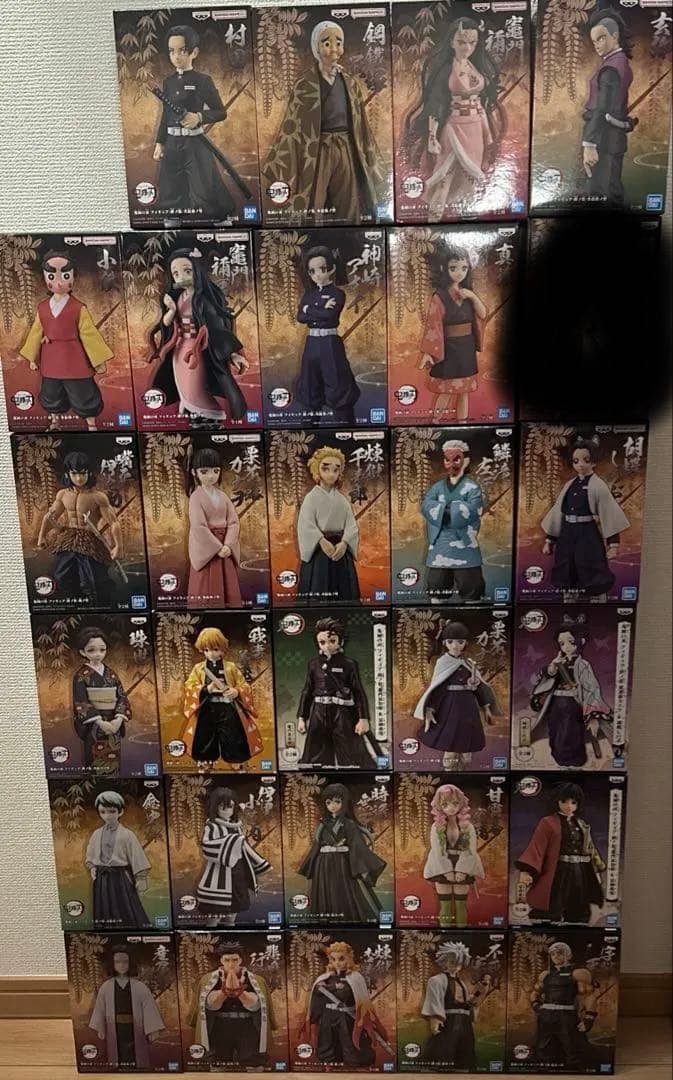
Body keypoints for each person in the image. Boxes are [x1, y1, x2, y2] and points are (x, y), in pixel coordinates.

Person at [262, 20, 385, 223]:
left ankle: (351, 235)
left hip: (345, 145)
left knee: (348, 198)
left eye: (338, 43)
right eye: (327, 43)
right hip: (317, 148)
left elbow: (360, 122)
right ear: (317, 48)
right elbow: (292, 124)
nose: (333, 48)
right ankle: (313, 235)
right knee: (313, 200)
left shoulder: (350, 83)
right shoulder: (304, 84)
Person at [403, 17, 504, 221]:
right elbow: (436, 104)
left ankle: (466, 224)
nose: (467, 48)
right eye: (461, 42)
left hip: (476, 127)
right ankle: (433, 221)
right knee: (443, 178)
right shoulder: (446, 71)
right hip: (453, 127)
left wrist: (488, 132)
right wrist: (432, 136)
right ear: (451, 42)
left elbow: (483, 102)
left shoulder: (476, 67)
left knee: (471, 179)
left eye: (472, 43)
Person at [147, 248, 249, 423]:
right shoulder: (178, 297)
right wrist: (171, 310)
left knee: (195, 387)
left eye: (187, 271)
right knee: (182, 384)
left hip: (197, 349)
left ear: (197, 270)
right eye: (176, 273)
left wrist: (232, 354)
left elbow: (217, 328)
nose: (181, 277)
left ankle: (210, 418)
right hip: (179, 347)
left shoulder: (204, 300)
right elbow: (166, 324)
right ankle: (191, 415)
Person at [19, 251, 113, 430]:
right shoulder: (43, 308)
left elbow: (89, 335)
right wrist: (32, 356)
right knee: (51, 393)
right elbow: (35, 333)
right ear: (45, 277)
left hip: (74, 357)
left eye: (65, 276)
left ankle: (91, 424)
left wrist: (99, 361)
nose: (59, 282)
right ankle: (54, 421)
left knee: (83, 392)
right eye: (52, 276)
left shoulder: (78, 308)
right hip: (51, 357)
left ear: (73, 277)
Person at [153, 26, 237, 218]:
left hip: (195, 142)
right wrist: (160, 142)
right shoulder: (168, 82)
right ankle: (172, 222)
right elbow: (166, 114)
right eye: (172, 51)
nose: (176, 56)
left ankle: (219, 219)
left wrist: (199, 117)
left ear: (194, 52)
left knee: (204, 188)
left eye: (182, 50)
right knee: (170, 188)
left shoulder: (203, 81)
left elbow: (220, 112)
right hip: (172, 143)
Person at [541, 436, 630, 598]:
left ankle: (596, 600)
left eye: (586, 460)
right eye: (576, 461)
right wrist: (549, 540)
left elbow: (609, 514)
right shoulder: (569, 485)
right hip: (567, 533)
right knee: (566, 566)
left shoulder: (598, 485)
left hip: (587, 533)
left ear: (593, 461)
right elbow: (558, 512)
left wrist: (613, 545)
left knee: (590, 566)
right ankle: (569, 599)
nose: (580, 464)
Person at [36, 451, 122, 607]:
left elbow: (114, 522)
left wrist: (118, 546)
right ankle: (74, 607)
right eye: (74, 473)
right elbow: (50, 516)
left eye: (83, 473)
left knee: (92, 581)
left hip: (89, 541)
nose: (78, 478)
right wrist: (41, 536)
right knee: (60, 576)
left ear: (89, 473)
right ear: (68, 474)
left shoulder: (98, 497)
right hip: (69, 540)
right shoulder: (63, 494)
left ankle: (99, 608)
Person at [297, 617, 382, 768]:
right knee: (316, 753)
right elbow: (307, 691)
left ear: (340, 641)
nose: (327, 645)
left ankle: (357, 775)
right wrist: (302, 717)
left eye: (332, 641)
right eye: (322, 642)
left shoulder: (349, 664)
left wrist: (363, 719)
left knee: (350, 751)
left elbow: (358, 692)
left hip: (342, 712)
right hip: (318, 712)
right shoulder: (313, 664)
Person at [515, 782, 606, 923]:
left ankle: (577, 925)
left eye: (573, 802)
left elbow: (590, 848)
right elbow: (537, 846)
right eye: (564, 801)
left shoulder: (582, 824)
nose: (569, 806)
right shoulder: (548, 822)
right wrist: (526, 871)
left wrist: (597, 869)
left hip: (579, 870)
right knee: (553, 901)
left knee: (579, 903)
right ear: (557, 801)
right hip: (559, 870)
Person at [413, 621, 499, 770]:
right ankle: (448, 770)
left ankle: (464, 771)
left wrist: (486, 707)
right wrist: (430, 709)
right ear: (445, 643)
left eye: (460, 642)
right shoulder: (442, 662)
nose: (455, 645)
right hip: (449, 707)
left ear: (465, 643)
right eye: (450, 641)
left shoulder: (468, 663)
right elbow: (438, 689)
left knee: (467, 746)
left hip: (469, 707)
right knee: (450, 742)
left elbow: (479, 687)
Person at [298, 783, 386, 921]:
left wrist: (362, 868)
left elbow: (357, 846)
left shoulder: (349, 824)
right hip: (323, 865)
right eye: (328, 802)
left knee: (342, 892)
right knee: (324, 892)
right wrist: (312, 863)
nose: (332, 806)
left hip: (341, 863)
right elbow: (317, 845)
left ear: (344, 803)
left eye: (337, 802)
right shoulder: (323, 824)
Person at [530, 624, 612, 767]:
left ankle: (573, 761)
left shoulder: (583, 664)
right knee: (555, 731)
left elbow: (592, 689)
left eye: (571, 642)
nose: (566, 647)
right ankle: (559, 759)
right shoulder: (558, 662)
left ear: (581, 642)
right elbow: (545, 679)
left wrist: (592, 716)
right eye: (562, 643)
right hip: (555, 702)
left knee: (570, 733)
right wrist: (552, 667)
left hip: (573, 703)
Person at [419, 247, 486, 422]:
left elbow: (483, 314)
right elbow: (433, 324)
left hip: (466, 346)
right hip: (448, 348)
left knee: (464, 391)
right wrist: (428, 352)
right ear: (445, 268)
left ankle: (462, 422)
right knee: (446, 390)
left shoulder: (468, 293)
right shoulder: (439, 296)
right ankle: (436, 421)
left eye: (464, 268)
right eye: (453, 268)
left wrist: (472, 296)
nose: (459, 272)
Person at [295, 246, 360, 424]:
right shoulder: (309, 294)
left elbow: (329, 315)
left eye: (322, 269)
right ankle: (309, 430)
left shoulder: (337, 293)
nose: (317, 275)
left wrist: (308, 309)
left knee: (338, 385)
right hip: (311, 343)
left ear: (331, 269)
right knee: (309, 386)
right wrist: (316, 310)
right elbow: (300, 317)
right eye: (312, 271)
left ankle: (346, 429)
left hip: (330, 342)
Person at [183, 627, 261, 767]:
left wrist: (236, 692)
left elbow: (244, 685)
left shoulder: (231, 667)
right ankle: (206, 759)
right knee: (204, 734)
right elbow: (189, 686)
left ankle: (236, 759)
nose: (211, 654)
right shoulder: (198, 668)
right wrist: (206, 689)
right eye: (206, 650)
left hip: (228, 707)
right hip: (206, 707)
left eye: (215, 649)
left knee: (233, 733)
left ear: (223, 648)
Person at [303, 941, 388, 1066]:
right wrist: (333, 987)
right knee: (327, 1044)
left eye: (341, 959)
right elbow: (317, 993)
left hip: (347, 1017)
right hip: (328, 1017)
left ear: (348, 958)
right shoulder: (325, 978)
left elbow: (345, 993)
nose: (337, 963)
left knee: (350, 1045)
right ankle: (329, 1064)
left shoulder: (356, 978)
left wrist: (329, 988)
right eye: (333, 959)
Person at [189, 943, 275, 1065]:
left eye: (234, 960)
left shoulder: (256, 980)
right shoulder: (208, 979)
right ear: (221, 960)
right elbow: (210, 1005)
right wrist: (224, 991)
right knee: (218, 1061)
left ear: (240, 960)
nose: (231, 964)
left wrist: (240, 992)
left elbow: (256, 1005)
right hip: (219, 1026)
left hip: (247, 1026)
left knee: (252, 1061)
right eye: (227, 960)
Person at [581, 9, 635, 204]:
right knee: (606, 193)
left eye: (602, 38)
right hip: (609, 138)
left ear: (615, 36)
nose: (597, 44)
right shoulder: (618, 62)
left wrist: (590, 144)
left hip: (604, 140)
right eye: (594, 41)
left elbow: (602, 109)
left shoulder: (612, 67)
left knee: (603, 195)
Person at [421, 439, 485, 602]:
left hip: (465, 545)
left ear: (466, 460)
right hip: (440, 546)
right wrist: (451, 509)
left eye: (456, 459)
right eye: (447, 460)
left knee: (472, 591)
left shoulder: (472, 488)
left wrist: (443, 510)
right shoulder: (437, 487)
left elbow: (474, 509)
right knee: (436, 589)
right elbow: (426, 505)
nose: (451, 464)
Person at [196, 786, 271, 924]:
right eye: (222, 807)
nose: (227, 810)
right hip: (218, 875)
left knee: (232, 916)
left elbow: (245, 848)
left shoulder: (236, 826)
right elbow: (207, 847)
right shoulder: (212, 826)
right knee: (214, 917)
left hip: (237, 873)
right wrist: (232, 841)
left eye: (230, 807)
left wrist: (259, 863)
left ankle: (231, 931)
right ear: (215, 807)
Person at [296, 446, 360, 602]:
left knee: (344, 590)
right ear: (317, 470)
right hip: (319, 552)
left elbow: (351, 526)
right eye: (326, 469)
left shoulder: (342, 500)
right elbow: (306, 525)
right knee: (318, 586)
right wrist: (321, 540)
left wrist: (345, 543)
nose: (331, 474)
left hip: (340, 551)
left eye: (336, 470)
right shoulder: (311, 498)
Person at [88, 947, 165, 1068]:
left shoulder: (140, 987)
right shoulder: (106, 987)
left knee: (137, 1054)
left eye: (125, 962)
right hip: (114, 1027)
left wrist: (152, 1029)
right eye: (118, 962)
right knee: (116, 1054)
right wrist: (100, 1028)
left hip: (135, 1027)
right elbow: (100, 1009)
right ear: (112, 964)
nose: (122, 965)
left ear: (130, 963)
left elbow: (149, 1008)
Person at [84, 791, 151, 928]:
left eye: (112, 811)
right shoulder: (97, 834)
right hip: (101, 878)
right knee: (103, 907)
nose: (107, 816)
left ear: (120, 812)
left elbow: (136, 855)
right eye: (103, 812)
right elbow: (90, 853)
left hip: (120, 878)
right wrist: (92, 867)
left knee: (125, 905)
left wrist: (141, 878)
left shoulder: (127, 835)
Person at [186, 447, 242, 607]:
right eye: (204, 472)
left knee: (227, 584)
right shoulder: (196, 497)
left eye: (215, 471)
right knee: (206, 587)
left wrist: (228, 545)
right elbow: (199, 526)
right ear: (194, 472)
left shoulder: (222, 496)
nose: (211, 476)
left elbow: (234, 522)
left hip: (225, 545)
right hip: (208, 549)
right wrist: (217, 548)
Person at [72, 626, 131, 776]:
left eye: (102, 650)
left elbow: (121, 696)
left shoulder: (111, 673)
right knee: (96, 761)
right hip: (94, 726)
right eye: (91, 650)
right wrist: (100, 722)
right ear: (82, 652)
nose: (97, 654)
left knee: (113, 761)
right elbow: (81, 701)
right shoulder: (81, 675)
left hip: (113, 724)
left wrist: (118, 720)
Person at [423, 784, 484, 928]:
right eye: (445, 804)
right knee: (444, 904)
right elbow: (437, 850)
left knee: (461, 904)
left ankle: (462, 933)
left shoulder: (468, 826)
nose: (451, 808)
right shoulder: (436, 827)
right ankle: (444, 932)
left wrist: (462, 870)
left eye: (455, 803)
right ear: (439, 806)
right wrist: (446, 870)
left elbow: (470, 849)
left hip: (463, 865)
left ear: (461, 804)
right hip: (441, 866)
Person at [421, 942, 490, 1069]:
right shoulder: (436, 980)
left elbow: (467, 1003)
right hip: (448, 1021)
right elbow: (434, 1000)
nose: (456, 965)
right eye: (452, 961)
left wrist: (480, 991)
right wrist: (435, 1018)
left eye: (459, 962)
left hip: (464, 1022)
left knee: (465, 1051)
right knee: (444, 1048)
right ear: (444, 961)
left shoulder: (461, 983)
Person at [531, 942, 598, 1069]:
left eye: (559, 953)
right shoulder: (545, 975)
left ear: (568, 955)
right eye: (552, 954)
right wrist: (536, 1006)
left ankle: (575, 1072)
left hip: (565, 1016)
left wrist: (589, 1018)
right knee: (542, 1050)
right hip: (546, 1017)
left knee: (572, 1050)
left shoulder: (578, 973)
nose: (555, 956)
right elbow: (535, 993)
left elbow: (589, 996)